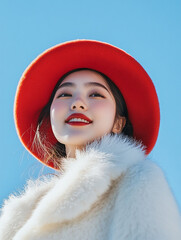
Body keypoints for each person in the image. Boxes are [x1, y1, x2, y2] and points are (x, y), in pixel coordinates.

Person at [0, 40, 181, 240]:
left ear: (118, 123)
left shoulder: (138, 180)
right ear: (50, 117)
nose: (77, 103)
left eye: (95, 94)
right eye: (65, 94)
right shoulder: (20, 214)